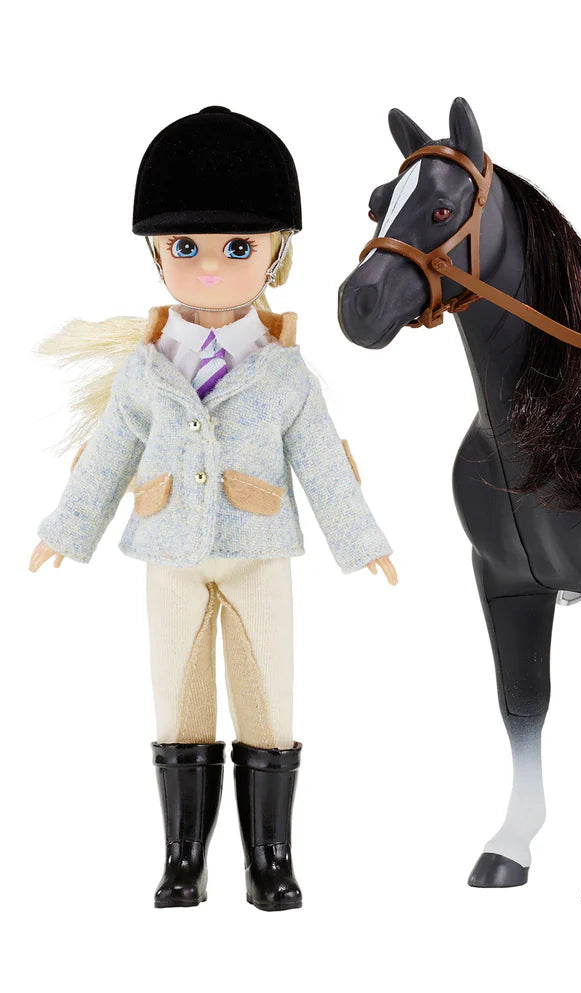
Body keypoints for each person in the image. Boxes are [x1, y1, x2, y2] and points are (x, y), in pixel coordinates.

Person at [30, 106, 396, 912]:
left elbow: (323, 461)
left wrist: (361, 539)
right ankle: (183, 857)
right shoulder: (143, 370)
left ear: (275, 254)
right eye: (185, 248)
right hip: (167, 549)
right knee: (179, 697)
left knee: (269, 699)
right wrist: (67, 529)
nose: (207, 268)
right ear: (157, 253)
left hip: (259, 551)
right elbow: (108, 454)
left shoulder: (286, 372)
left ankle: (270, 857)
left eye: (237, 248)